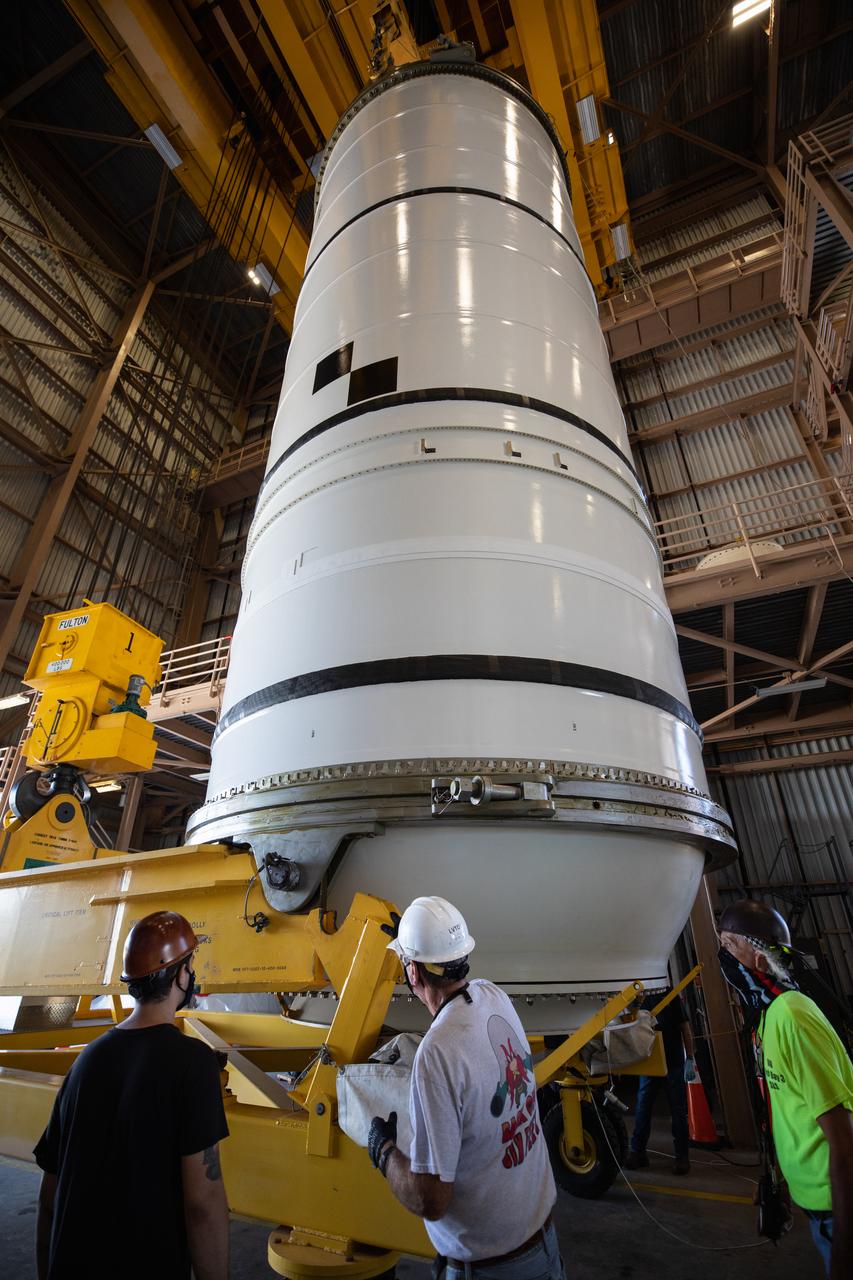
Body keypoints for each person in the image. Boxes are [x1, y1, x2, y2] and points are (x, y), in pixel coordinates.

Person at [368, 895, 564, 1279]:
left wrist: (384, 1151)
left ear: (413, 973)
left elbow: (431, 1199)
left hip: (491, 1269)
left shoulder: (437, 1053)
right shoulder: (494, 997)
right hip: (544, 1248)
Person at [34, 910, 230, 1280]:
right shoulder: (193, 1064)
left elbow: (50, 1195)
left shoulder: (86, 1061)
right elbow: (202, 1203)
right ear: (180, 974)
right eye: (190, 965)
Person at [718, 898, 853, 1279]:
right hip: (817, 1204)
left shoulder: (792, 1017)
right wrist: (779, 1182)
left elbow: (843, 1139)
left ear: (760, 959)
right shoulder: (768, 1015)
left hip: (837, 1210)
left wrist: (845, 1249)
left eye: (730, 945)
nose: (721, 956)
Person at [625, 985, 696, 1175]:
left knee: (678, 1111)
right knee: (642, 1108)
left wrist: (690, 1058)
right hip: (649, 1063)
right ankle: (637, 1152)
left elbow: (684, 1027)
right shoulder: (638, 998)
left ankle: (682, 1157)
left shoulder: (670, 996)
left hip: (673, 1063)